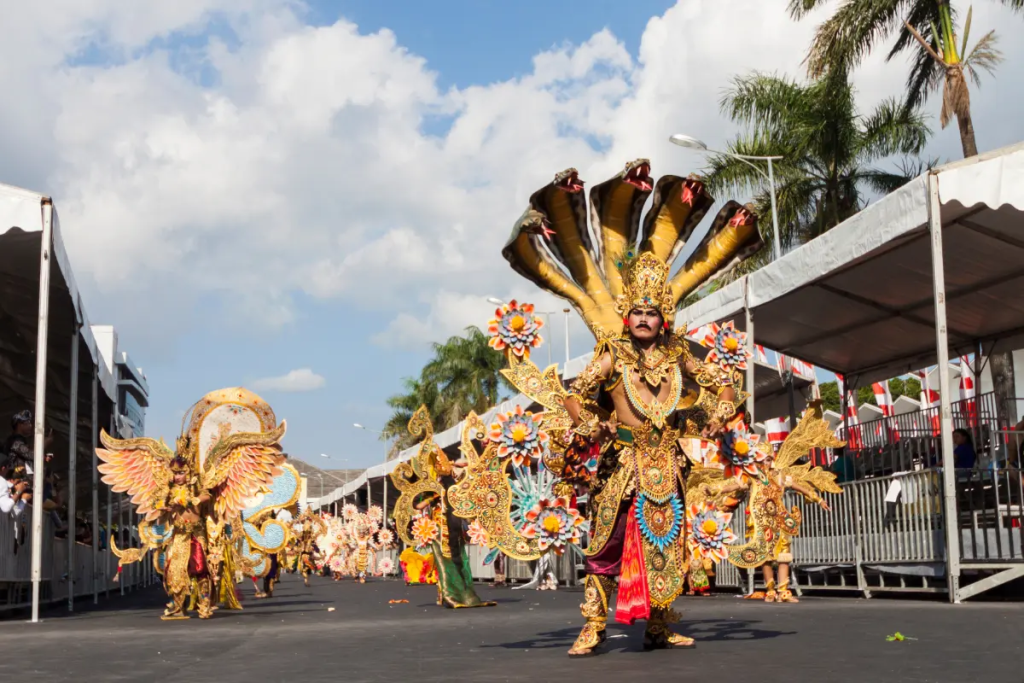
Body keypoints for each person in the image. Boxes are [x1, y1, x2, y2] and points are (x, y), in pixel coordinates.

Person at [94, 391, 287, 620]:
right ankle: (178, 606)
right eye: (175, 473)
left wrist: (194, 499)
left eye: (181, 473)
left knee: (200, 570)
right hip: (177, 536)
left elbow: (206, 496)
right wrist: (166, 503)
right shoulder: (166, 487)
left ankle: (205, 605)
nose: (178, 477)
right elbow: (158, 503)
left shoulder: (200, 483)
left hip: (198, 534)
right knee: (174, 572)